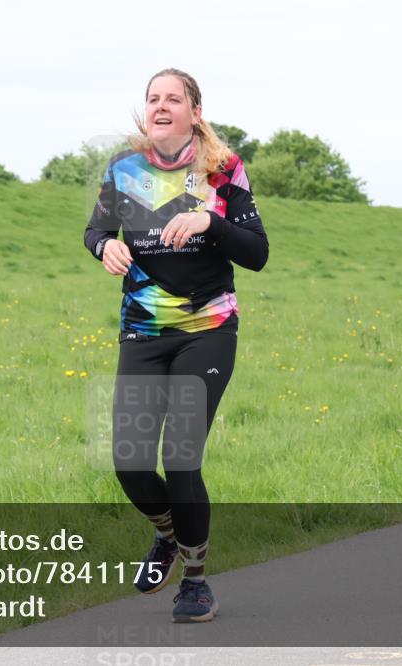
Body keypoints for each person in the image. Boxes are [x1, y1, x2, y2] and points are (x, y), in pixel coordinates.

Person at [83, 68, 268, 622]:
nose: (161, 105)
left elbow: (256, 253)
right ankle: (166, 536)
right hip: (141, 328)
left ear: (194, 112)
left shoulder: (221, 169)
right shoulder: (124, 167)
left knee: (181, 459)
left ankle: (195, 582)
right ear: (146, 112)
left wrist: (209, 221)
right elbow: (95, 231)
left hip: (207, 330)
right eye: (153, 98)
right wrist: (104, 249)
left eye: (173, 99)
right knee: (131, 463)